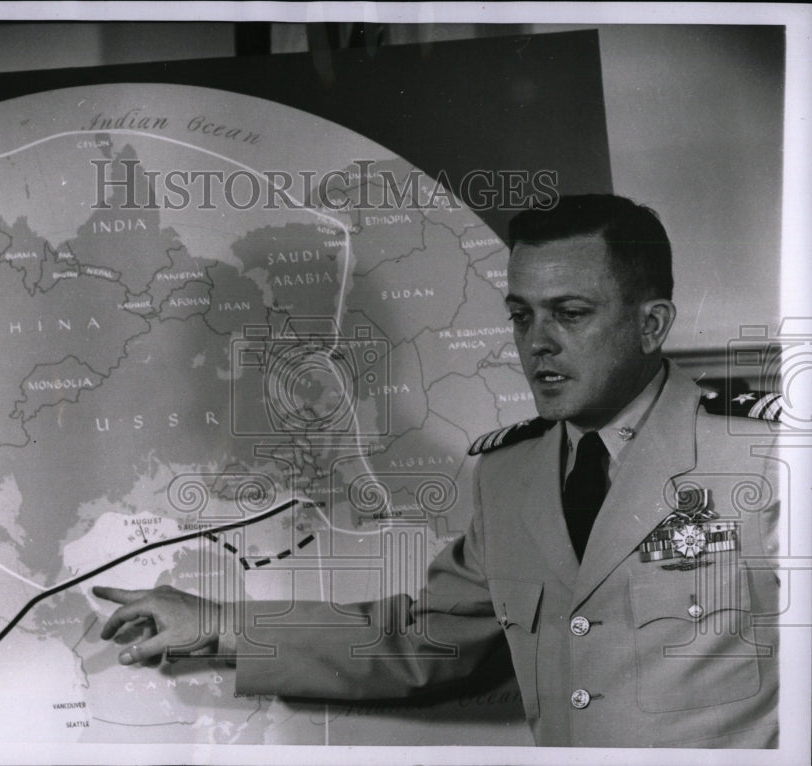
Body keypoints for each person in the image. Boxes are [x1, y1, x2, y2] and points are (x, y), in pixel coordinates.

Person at [93, 194, 779, 748]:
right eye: (520, 316)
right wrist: (218, 621)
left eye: (570, 313)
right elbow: (426, 641)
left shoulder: (766, 456)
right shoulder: (510, 476)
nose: (537, 342)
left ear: (652, 324)